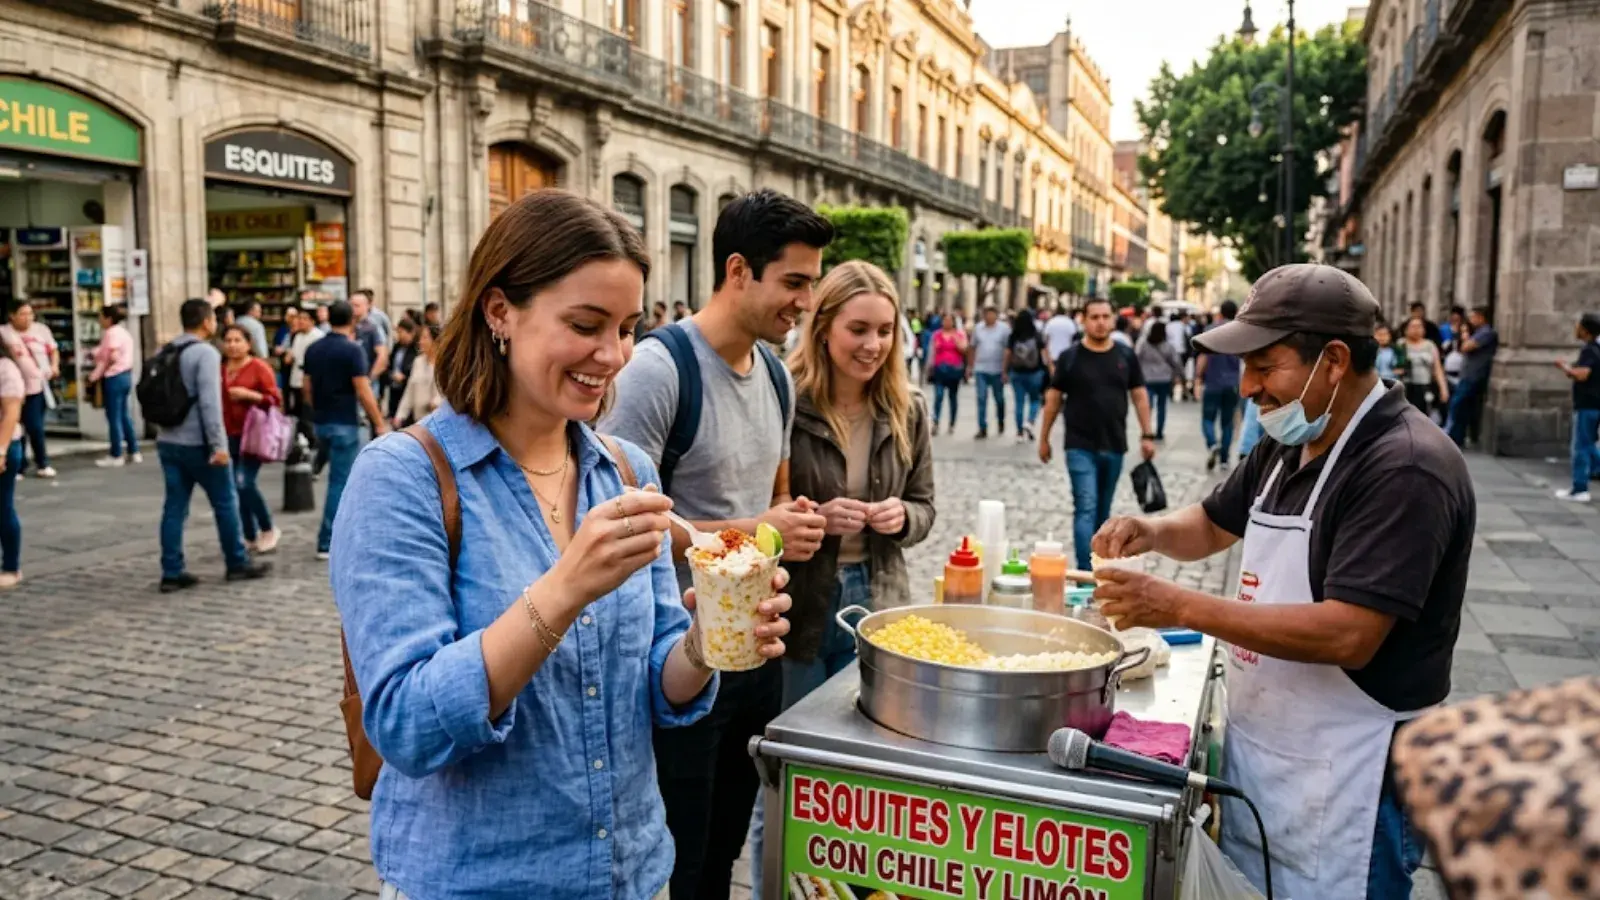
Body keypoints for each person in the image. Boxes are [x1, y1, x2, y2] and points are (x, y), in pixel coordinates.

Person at [332, 188, 791, 900]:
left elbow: (656, 686)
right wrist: (565, 586)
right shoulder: (403, 478)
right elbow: (407, 725)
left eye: (629, 327)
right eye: (585, 324)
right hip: (478, 882)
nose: (612, 355)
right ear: (499, 312)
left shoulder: (627, 470)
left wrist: (706, 641)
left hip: (630, 874)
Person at [1088, 263, 1475, 900]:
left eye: (1265, 367)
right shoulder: (1292, 437)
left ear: (1333, 360)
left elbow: (1349, 634)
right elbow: (1214, 523)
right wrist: (1150, 530)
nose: (1246, 387)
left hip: (1360, 779)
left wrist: (1179, 605)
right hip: (1274, 755)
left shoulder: (1405, 466)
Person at [601, 188, 830, 900]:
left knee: (726, 843)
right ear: (738, 270)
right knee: (679, 853)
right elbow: (617, 517)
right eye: (793, 282)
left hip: (753, 651)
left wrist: (799, 520)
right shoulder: (659, 369)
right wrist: (762, 529)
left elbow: (771, 497)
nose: (805, 302)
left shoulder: (776, 376)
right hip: (679, 652)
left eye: (811, 284)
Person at [154, 299, 271, 593]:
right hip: (198, 442)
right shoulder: (204, 353)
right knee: (225, 501)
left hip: (168, 439)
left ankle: (171, 569)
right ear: (207, 322)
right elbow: (209, 403)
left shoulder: (166, 350)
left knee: (174, 506)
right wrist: (218, 445)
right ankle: (236, 561)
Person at [1036, 298, 1156, 572]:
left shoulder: (1125, 356)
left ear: (1113, 319)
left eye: (1105, 316)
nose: (1101, 322)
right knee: (1086, 506)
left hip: (1114, 445)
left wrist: (1147, 434)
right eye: (1094, 317)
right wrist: (1044, 438)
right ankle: (1084, 571)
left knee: (1103, 512)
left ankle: (1099, 564)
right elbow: (1053, 399)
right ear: (1083, 320)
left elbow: (1139, 396)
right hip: (1079, 445)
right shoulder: (1070, 357)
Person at [303, 300, 390, 561]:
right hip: (345, 421)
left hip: (322, 421)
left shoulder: (313, 348)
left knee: (338, 479)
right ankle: (327, 540)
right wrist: (378, 422)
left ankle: (345, 533)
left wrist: (316, 409)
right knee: (340, 482)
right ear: (352, 320)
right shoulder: (352, 351)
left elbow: (306, 387)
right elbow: (363, 390)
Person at [220, 324, 282, 553]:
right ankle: (248, 535)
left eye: (238, 340)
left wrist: (250, 395)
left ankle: (267, 528)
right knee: (236, 487)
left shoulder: (259, 367)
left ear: (248, 344)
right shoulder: (221, 369)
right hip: (228, 434)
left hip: (253, 434)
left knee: (244, 482)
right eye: (228, 340)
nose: (233, 345)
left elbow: (274, 399)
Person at [0, 302, 57, 478]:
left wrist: (54, 367)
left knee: (35, 426)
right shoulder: (4, 332)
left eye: (30, 314)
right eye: (23, 314)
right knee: (17, 426)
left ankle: (42, 462)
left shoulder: (41, 330)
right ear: (12, 315)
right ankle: (19, 465)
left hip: (36, 386)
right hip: (13, 387)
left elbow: (53, 349)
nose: (28, 318)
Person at [87, 305, 141, 467]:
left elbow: (111, 357)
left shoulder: (111, 334)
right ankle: (133, 450)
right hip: (126, 375)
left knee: (114, 416)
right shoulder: (123, 333)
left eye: (101, 317)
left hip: (114, 376)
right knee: (123, 414)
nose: (99, 320)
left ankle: (116, 453)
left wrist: (94, 375)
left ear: (108, 318)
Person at [1555, 312, 1600, 503]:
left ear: (1585, 329)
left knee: (1581, 446)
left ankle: (1580, 488)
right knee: (1588, 444)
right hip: (1593, 404)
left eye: (1578, 325)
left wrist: (1564, 368)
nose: (1576, 328)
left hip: (1587, 405)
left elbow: (1582, 375)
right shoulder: (1595, 349)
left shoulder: (1590, 350)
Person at [1195, 300, 1243, 471]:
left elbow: (1203, 357)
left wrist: (1197, 378)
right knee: (1227, 423)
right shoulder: (1240, 332)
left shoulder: (1210, 329)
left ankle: (1212, 443)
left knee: (1207, 419)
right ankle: (1224, 459)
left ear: (1220, 313)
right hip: (1232, 384)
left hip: (1213, 383)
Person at [1446, 306, 1497, 448]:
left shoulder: (1486, 333)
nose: (1471, 320)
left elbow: (1466, 347)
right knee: (1463, 408)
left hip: (1474, 376)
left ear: (1481, 317)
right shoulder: (1478, 332)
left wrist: (1464, 335)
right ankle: (1458, 437)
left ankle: (1454, 435)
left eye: (1473, 317)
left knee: (1457, 404)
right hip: (1468, 375)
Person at [0, 338, 25, 589]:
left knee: (2, 507)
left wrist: (1, 451)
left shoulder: (6, 369)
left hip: (5, 444)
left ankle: (11, 566)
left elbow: (11, 412)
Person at [1005, 308, 1049, 440]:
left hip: (1017, 372)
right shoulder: (1036, 335)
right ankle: (1029, 422)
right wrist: (1048, 368)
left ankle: (1019, 432)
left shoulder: (1013, 336)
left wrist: (1004, 370)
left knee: (1019, 402)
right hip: (1034, 372)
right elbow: (1045, 354)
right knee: (1035, 400)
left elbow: (1007, 354)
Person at [1136, 320, 1183, 441]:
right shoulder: (1167, 345)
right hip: (1164, 379)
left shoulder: (1143, 343)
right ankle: (1160, 432)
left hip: (1147, 379)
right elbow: (1176, 362)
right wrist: (1179, 375)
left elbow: (1136, 358)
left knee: (1147, 405)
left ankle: (1146, 430)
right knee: (1162, 406)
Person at [967, 305, 1010, 439]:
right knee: (981, 398)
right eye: (986, 315)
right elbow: (972, 347)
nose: (989, 317)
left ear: (996, 316)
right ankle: (982, 427)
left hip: (997, 369)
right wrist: (970, 366)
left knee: (999, 399)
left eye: (991, 314)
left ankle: (1001, 420)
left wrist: (1005, 369)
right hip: (981, 369)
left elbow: (1007, 350)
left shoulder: (1004, 329)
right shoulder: (978, 329)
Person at [392, 324, 442, 428]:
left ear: (436, 341)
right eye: (420, 338)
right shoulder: (418, 362)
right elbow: (410, 391)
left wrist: (436, 402)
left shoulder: (445, 364)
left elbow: (446, 394)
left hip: (438, 421)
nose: (421, 342)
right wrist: (400, 415)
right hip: (419, 421)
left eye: (425, 338)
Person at [351, 289, 392, 407]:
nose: (353, 309)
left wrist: (370, 378)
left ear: (367, 306)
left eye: (357, 305)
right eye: (351, 305)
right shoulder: (349, 327)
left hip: (366, 383)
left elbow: (382, 356)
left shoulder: (372, 328)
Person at [1400, 317, 1449, 415]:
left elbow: (1437, 369)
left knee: (1422, 416)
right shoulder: (1401, 344)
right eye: (1413, 326)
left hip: (1424, 386)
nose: (1416, 330)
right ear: (1406, 329)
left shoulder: (1430, 345)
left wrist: (1443, 388)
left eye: (1419, 326)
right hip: (1405, 387)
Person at [928, 313, 967, 435]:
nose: (947, 323)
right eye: (945, 320)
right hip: (940, 369)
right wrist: (929, 367)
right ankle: (936, 422)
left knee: (952, 397)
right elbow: (931, 352)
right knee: (938, 396)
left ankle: (952, 423)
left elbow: (964, 349)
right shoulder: (937, 335)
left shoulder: (959, 334)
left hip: (954, 369)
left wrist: (957, 342)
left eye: (949, 321)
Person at [386, 319, 420, 421]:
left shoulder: (416, 350)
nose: (399, 335)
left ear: (410, 333)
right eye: (398, 332)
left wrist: (404, 377)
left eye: (401, 332)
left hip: (407, 389)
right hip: (394, 388)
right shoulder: (397, 347)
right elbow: (390, 365)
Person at [1042, 302, 1079, 367]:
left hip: (1052, 356)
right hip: (1067, 356)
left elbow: (1046, 340)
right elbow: (1074, 339)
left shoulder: (1050, 322)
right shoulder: (1070, 322)